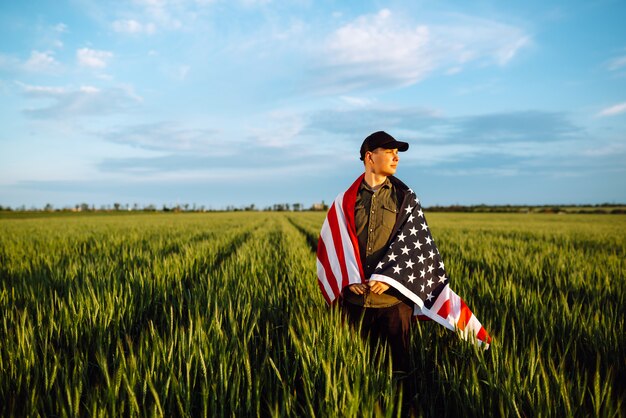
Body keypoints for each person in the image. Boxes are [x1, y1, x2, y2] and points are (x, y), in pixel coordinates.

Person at [339, 131, 414, 375]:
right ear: (370, 157)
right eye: (390, 152)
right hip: (355, 304)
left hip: (393, 303)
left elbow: (414, 246)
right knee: (355, 373)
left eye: (397, 153)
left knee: (400, 374)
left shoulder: (405, 198)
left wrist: (390, 277)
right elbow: (335, 245)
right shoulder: (345, 201)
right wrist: (347, 280)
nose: (396, 158)